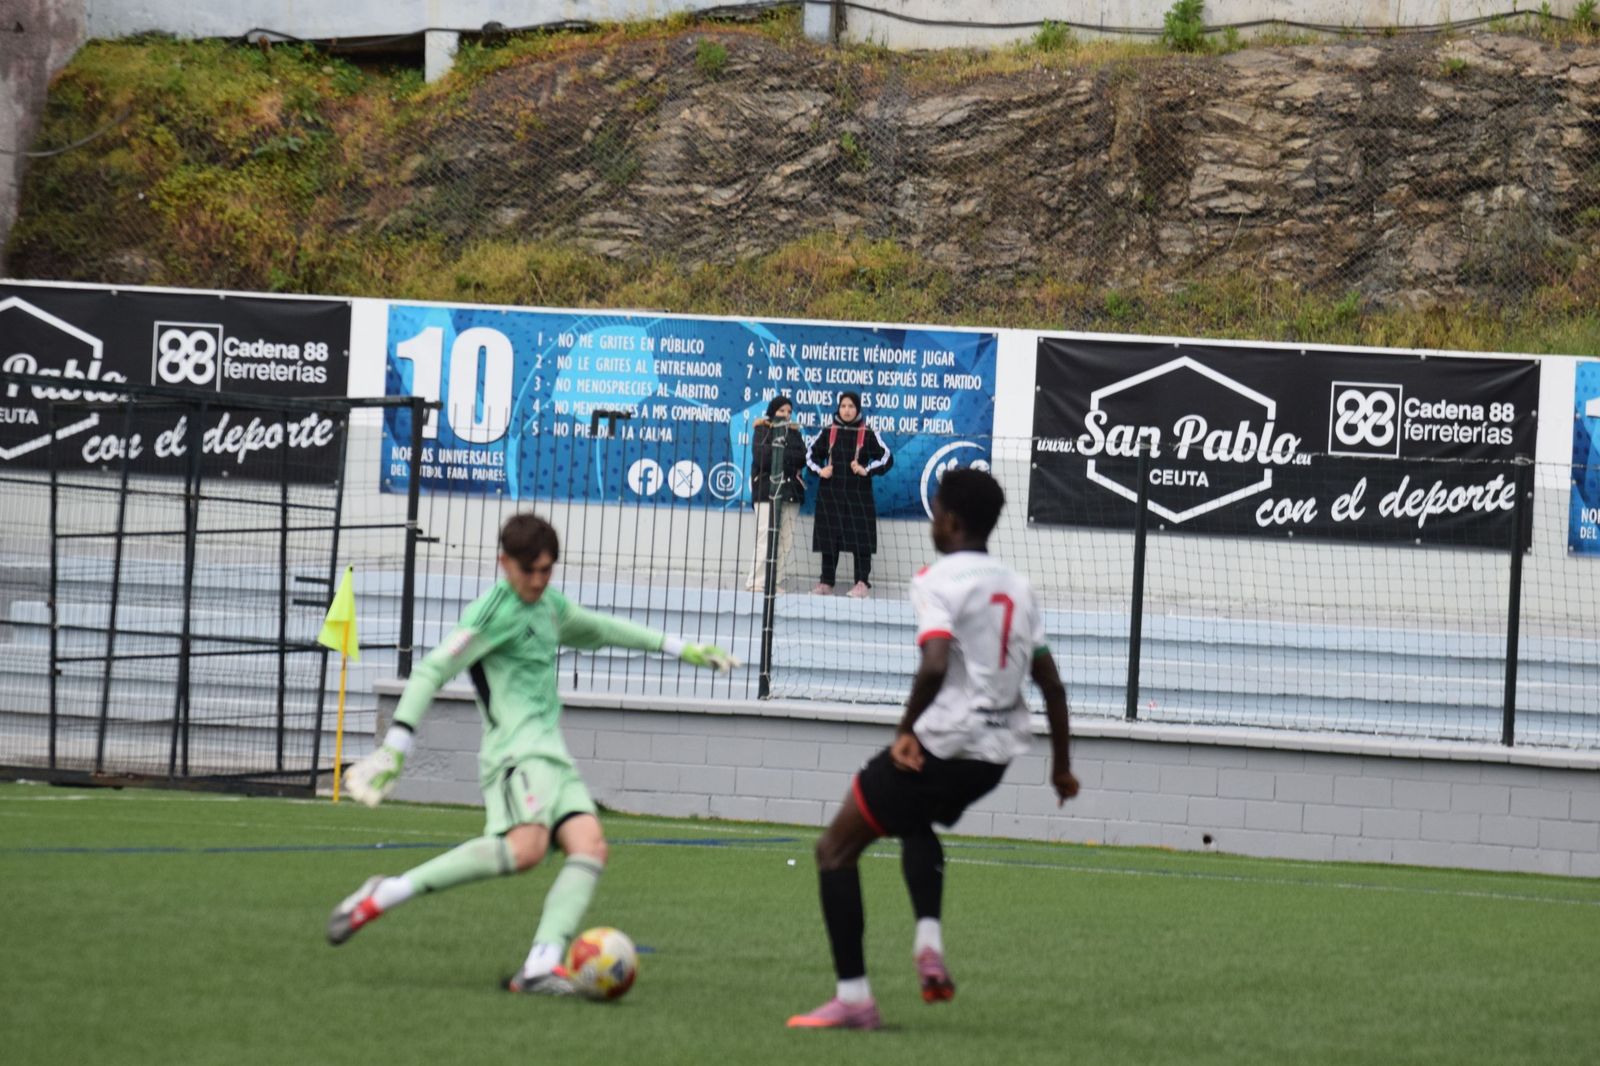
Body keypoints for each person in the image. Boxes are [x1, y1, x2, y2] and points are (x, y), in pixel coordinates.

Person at [326, 512, 737, 994]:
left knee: (590, 846)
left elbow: (603, 628)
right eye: (530, 571)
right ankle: (388, 892)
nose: (539, 581)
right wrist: (396, 747)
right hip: (514, 755)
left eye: (547, 570)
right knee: (527, 851)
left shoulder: (551, 608)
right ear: (505, 563)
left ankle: (541, 964)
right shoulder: (489, 614)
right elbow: (431, 670)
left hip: (553, 756)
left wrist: (682, 648)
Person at [786, 468, 1078, 1031]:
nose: (931, 523)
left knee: (834, 850)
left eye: (936, 513)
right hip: (992, 759)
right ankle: (928, 943)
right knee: (912, 820)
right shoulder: (1019, 586)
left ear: (952, 521)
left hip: (943, 745)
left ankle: (853, 999)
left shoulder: (936, 580)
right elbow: (1052, 685)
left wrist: (905, 731)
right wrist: (1061, 769)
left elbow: (935, 663)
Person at [808, 391, 891, 598]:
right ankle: (826, 582)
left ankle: (862, 583)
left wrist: (866, 470)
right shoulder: (828, 431)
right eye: (843, 406)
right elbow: (810, 456)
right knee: (829, 538)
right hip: (831, 495)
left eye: (851, 406)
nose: (846, 410)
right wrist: (820, 471)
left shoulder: (868, 432)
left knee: (861, 539)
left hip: (858, 497)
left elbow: (887, 457)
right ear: (838, 408)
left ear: (858, 409)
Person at [744, 395, 807, 594]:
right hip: (766, 492)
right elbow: (762, 457)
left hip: (791, 492)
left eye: (789, 412)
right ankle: (756, 581)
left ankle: (773, 581)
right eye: (781, 411)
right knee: (766, 537)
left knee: (785, 540)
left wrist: (781, 454)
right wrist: (786, 455)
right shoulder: (762, 430)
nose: (786, 415)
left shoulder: (794, 433)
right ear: (772, 412)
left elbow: (802, 458)